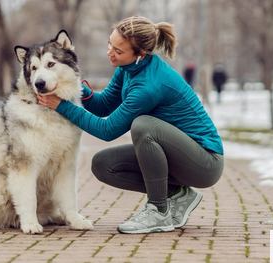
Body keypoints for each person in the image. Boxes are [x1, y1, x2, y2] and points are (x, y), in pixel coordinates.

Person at [37, 16, 224, 234]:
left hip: (205, 162)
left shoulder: (149, 85)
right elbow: (104, 105)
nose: (110, 52)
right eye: (110, 44)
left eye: (118, 50)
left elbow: (107, 130)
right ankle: (177, 194)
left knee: (143, 126)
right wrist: (77, 88)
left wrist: (61, 105)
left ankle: (158, 211)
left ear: (140, 54)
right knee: (103, 164)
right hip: (179, 154)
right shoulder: (127, 68)